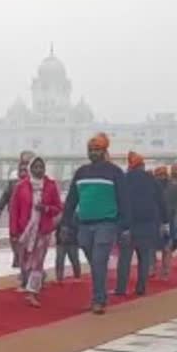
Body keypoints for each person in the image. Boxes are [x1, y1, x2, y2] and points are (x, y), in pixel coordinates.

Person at [61, 133, 130, 315]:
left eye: (97, 149)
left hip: (106, 224)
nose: (93, 153)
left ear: (104, 151)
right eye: (91, 150)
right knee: (95, 263)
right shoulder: (81, 172)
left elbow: (124, 200)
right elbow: (71, 200)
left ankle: (98, 300)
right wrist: (65, 224)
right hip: (84, 225)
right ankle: (101, 292)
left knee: (99, 261)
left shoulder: (115, 172)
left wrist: (125, 226)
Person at [9, 156, 62, 307]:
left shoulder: (51, 186)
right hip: (24, 231)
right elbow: (14, 210)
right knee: (25, 262)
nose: (39, 170)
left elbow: (58, 208)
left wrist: (46, 208)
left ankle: (33, 292)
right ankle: (27, 281)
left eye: (41, 167)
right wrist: (13, 232)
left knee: (38, 263)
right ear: (30, 169)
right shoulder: (21, 187)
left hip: (43, 231)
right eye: (36, 167)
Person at [114, 152, 167, 296]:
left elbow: (118, 201)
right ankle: (141, 288)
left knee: (124, 258)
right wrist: (165, 221)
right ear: (142, 165)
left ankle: (120, 289)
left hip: (128, 225)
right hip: (148, 225)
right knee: (144, 258)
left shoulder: (124, 179)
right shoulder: (152, 180)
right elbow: (161, 202)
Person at [0, 153, 33, 269]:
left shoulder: (37, 180)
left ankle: (28, 265)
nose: (23, 168)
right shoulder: (14, 180)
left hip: (31, 217)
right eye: (22, 164)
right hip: (14, 215)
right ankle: (18, 256)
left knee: (29, 241)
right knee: (14, 238)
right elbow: (6, 194)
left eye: (27, 164)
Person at [152, 166, 173, 277]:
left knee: (167, 246)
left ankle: (166, 269)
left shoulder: (171, 186)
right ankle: (152, 267)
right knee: (152, 246)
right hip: (155, 220)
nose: (162, 177)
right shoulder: (152, 188)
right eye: (159, 175)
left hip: (168, 220)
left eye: (164, 174)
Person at [55, 214, 81, 282]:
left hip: (72, 242)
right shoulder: (59, 215)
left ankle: (77, 276)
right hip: (61, 242)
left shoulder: (76, 216)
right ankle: (59, 278)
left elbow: (79, 228)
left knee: (74, 260)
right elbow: (55, 226)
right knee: (59, 260)